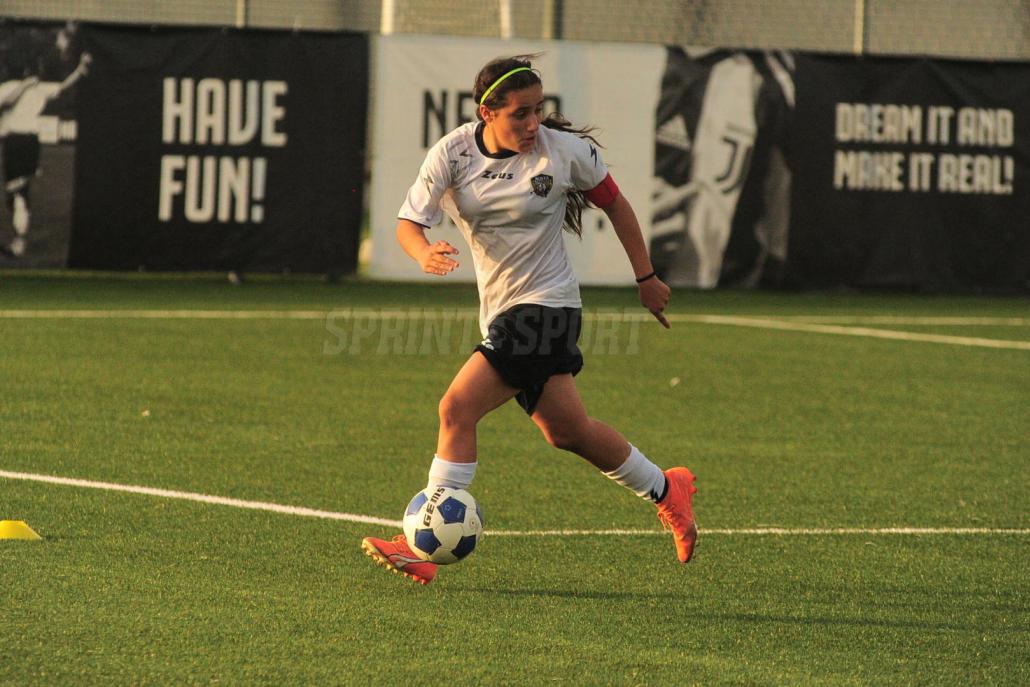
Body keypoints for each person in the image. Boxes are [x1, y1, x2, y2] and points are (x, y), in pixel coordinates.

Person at [361, 55, 698, 585]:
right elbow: (409, 223)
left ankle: (420, 544)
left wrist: (646, 277)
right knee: (568, 431)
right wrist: (422, 252)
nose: (533, 123)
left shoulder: (563, 152)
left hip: (547, 307)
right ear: (487, 112)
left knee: (456, 408)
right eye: (520, 113)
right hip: (504, 311)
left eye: (539, 110)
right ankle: (666, 488)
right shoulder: (452, 153)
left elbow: (617, 205)